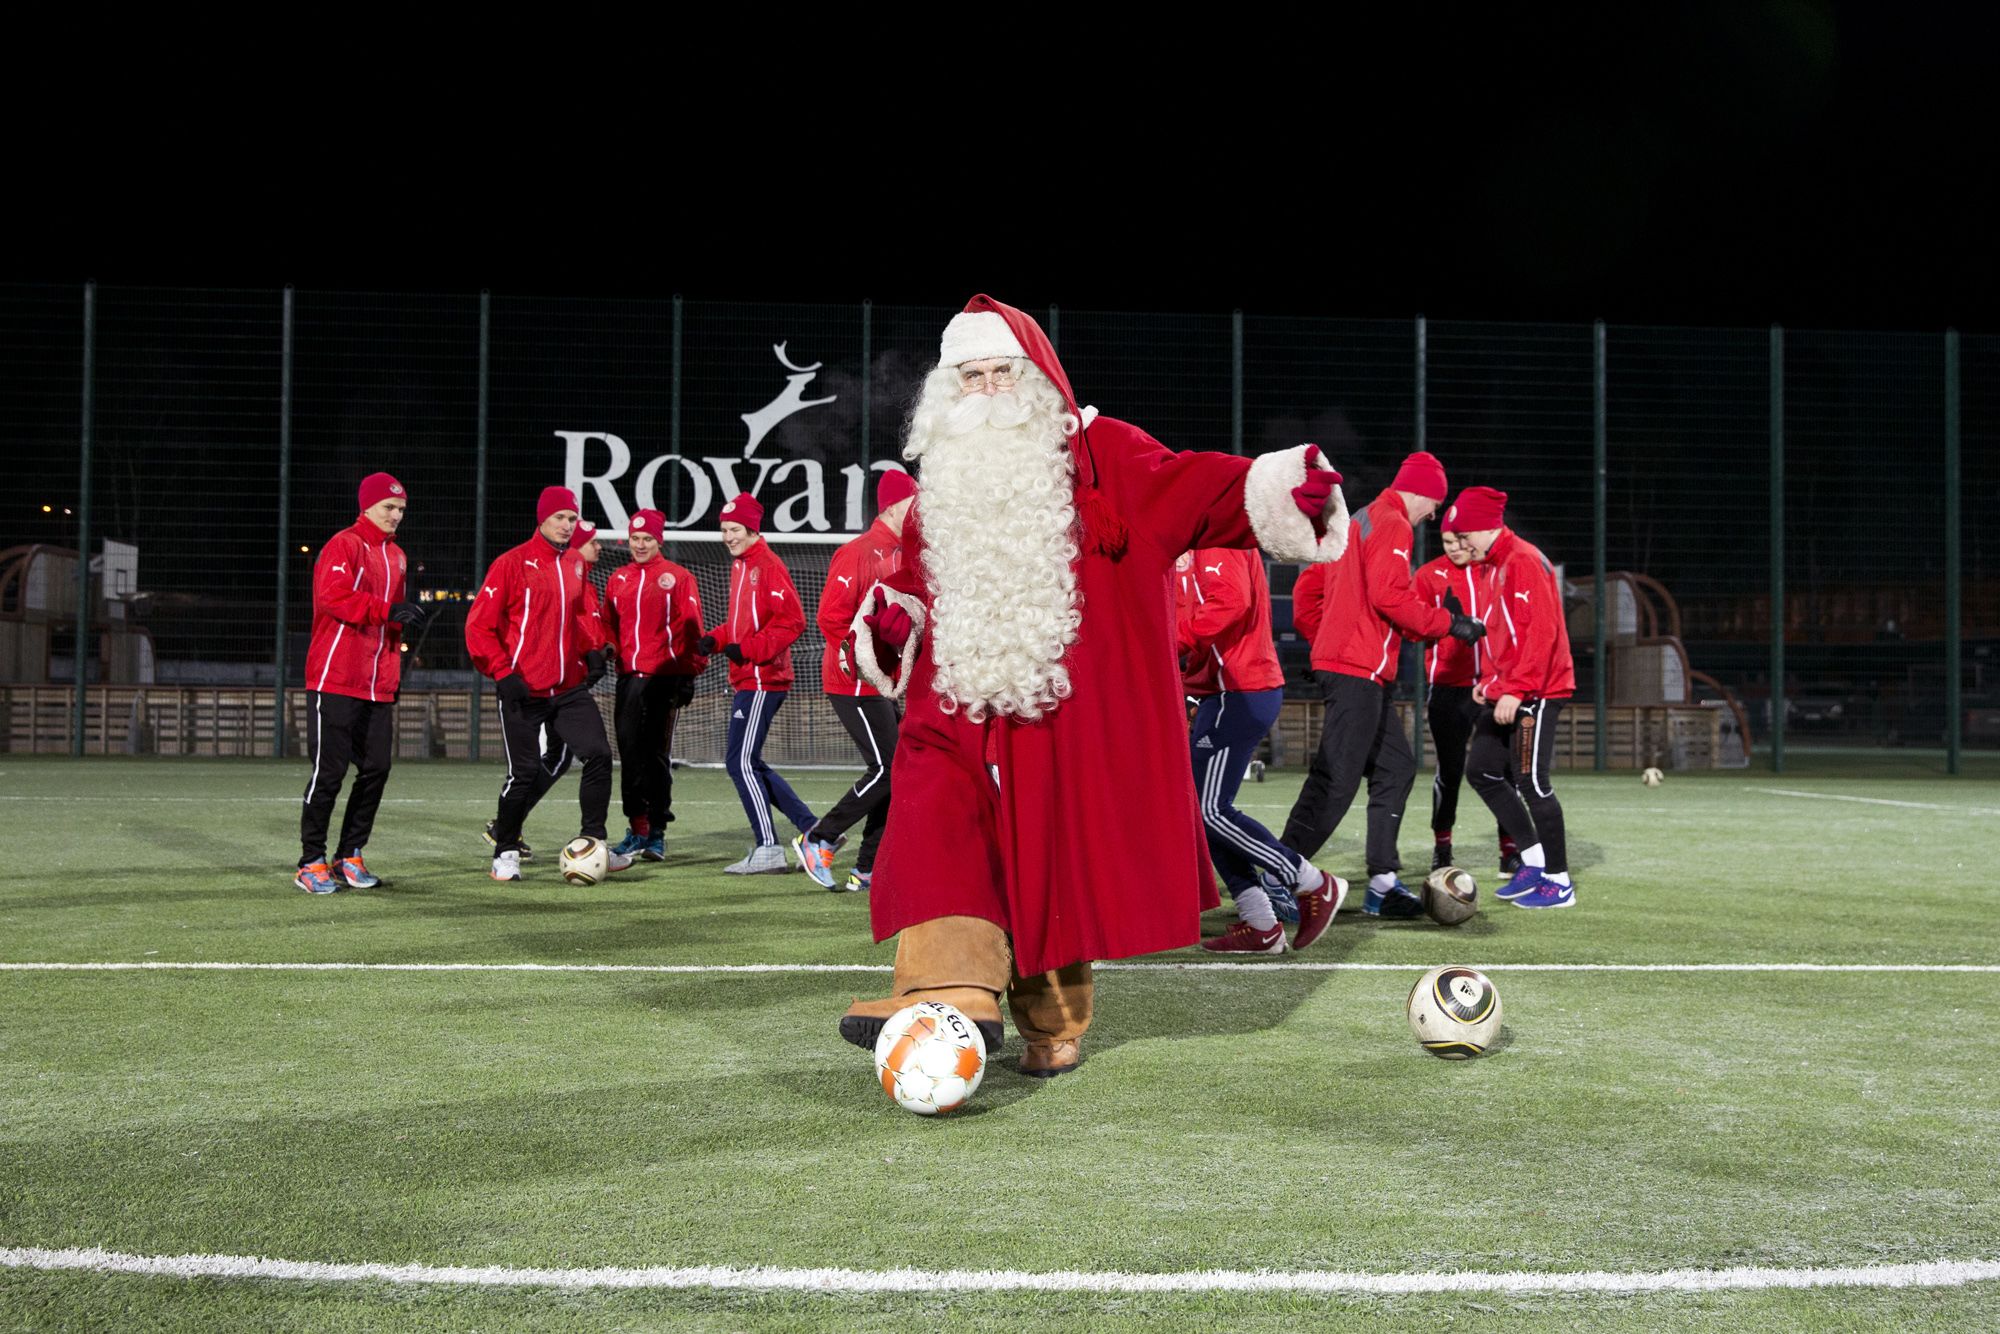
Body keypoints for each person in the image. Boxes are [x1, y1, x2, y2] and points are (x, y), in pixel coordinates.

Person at [837, 294, 1348, 1078]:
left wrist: (1280, 490)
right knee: (936, 828)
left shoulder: (1106, 455)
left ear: (1036, 377)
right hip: (954, 705)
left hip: (1059, 712)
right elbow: (913, 581)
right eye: (967, 376)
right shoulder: (942, 486)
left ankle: (1051, 1023)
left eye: (999, 372)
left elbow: (1196, 488)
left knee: (1050, 861)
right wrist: (893, 623)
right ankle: (949, 989)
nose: (984, 391)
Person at [1279, 452, 1487, 918]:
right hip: (1356, 670)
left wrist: (1328, 640)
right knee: (1335, 781)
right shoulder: (1393, 523)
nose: (1434, 514)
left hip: (1352, 666)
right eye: (1434, 503)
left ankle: (1383, 883)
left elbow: (1306, 593)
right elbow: (1389, 597)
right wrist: (1450, 623)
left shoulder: (1357, 521)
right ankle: (1278, 875)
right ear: (1421, 493)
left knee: (1396, 765)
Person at [465, 486, 625, 882]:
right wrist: (502, 672)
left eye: (572, 519)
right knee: (523, 772)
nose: (567, 526)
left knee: (599, 755)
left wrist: (591, 649)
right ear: (541, 519)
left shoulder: (574, 563)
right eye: (560, 518)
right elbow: (478, 626)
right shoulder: (511, 563)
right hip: (523, 688)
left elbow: (578, 616)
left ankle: (594, 842)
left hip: (567, 688)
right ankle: (505, 851)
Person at [1173, 546, 1320, 955]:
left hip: (1240, 689)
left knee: (1211, 810)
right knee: (1203, 814)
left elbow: (1231, 601)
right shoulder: (1187, 545)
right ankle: (1261, 923)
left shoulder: (1219, 536)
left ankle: (1309, 882)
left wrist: (1171, 642)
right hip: (1217, 692)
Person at [295, 472, 428, 893]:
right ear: (367, 506)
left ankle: (349, 854)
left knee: (377, 769)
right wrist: (388, 610)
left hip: (377, 685)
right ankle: (310, 861)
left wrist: (391, 670)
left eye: (401, 509)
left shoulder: (399, 556)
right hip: (336, 678)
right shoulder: (345, 544)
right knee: (329, 773)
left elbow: (390, 620)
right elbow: (332, 597)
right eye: (389, 507)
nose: (395, 515)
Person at [1449, 487, 1580, 909]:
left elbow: (1541, 633)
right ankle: (1535, 860)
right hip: (1508, 691)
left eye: (1465, 532)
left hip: (1539, 690)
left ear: (1489, 526)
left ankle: (1559, 883)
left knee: (1532, 782)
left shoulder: (1522, 560)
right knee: (1483, 771)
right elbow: (1501, 636)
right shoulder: (1492, 565)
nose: (1461, 541)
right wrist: (1489, 683)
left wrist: (1518, 689)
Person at [794, 470, 917, 892]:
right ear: (892, 506)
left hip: (883, 682)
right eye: (911, 504)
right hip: (855, 683)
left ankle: (867, 868)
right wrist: (864, 659)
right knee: (886, 767)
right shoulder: (859, 552)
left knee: (897, 769)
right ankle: (819, 837)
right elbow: (830, 616)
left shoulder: (905, 552)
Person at [699, 492, 819, 874]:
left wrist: (747, 650)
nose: (727, 536)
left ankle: (768, 847)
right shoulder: (741, 565)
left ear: (752, 530)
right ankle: (813, 831)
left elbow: (792, 621)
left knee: (739, 762)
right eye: (723, 529)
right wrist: (716, 640)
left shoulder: (767, 564)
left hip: (763, 678)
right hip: (750, 677)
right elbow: (742, 625)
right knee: (748, 762)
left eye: (734, 529)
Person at [601, 509, 706, 861]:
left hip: (665, 679)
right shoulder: (617, 579)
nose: (641, 544)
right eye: (635, 538)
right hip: (629, 679)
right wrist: (607, 649)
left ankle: (658, 833)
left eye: (647, 539)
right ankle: (637, 830)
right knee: (630, 755)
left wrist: (690, 673)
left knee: (656, 757)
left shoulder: (678, 577)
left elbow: (692, 627)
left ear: (659, 540)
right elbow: (607, 626)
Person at [1416, 526, 1518, 873]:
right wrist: (1448, 625)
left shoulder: (1494, 571)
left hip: (1493, 687)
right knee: (1450, 769)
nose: (1456, 548)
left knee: (1502, 772)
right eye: (1447, 542)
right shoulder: (1428, 575)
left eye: (1461, 541)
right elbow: (1413, 624)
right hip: (1448, 688)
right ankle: (1442, 848)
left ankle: (1510, 852)